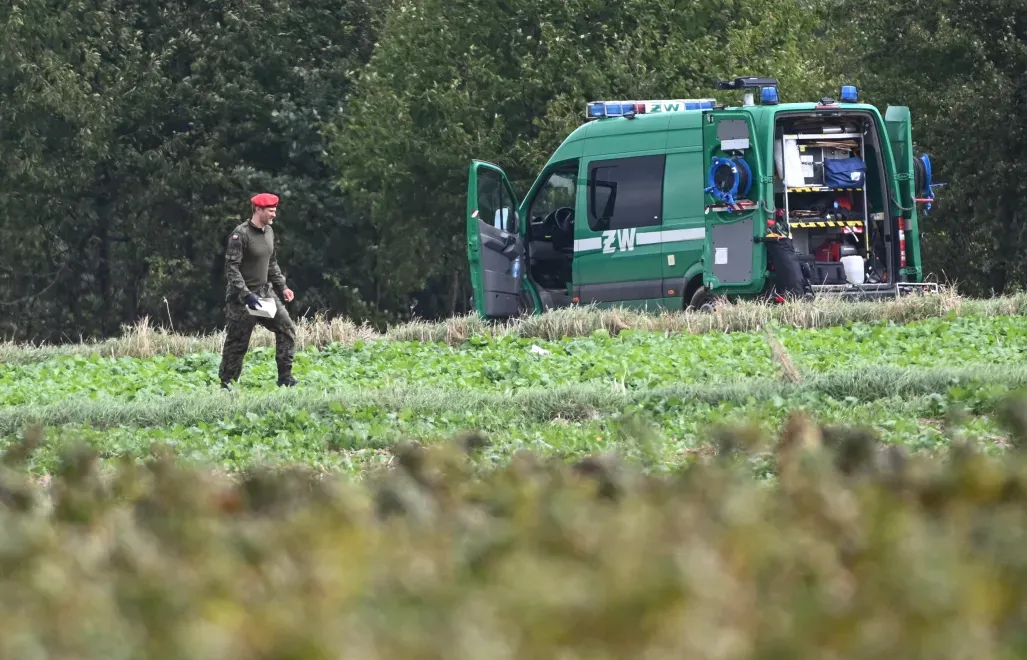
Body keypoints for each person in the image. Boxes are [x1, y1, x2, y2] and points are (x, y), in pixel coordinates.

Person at [218, 192, 298, 389]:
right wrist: (246, 294)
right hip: (242, 301)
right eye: (271, 211)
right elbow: (232, 269)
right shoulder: (241, 234)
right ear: (258, 209)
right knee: (238, 344)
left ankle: (285, 378)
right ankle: (227, 384)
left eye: (275, 210)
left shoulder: (269, 232)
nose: (274, 215)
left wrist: (283, 286)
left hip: (263, 295)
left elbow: (271, 263)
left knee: (286, 329)